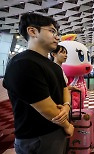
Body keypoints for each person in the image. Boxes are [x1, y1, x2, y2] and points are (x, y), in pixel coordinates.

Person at [3, 13, 74, 154]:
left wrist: (66, 107)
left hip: (55, 131)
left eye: (57, 33)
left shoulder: (54, 66)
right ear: (33, 31)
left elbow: (64, 88)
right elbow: (46, 108)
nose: (57, 37)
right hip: (37, 137)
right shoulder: (23, 63)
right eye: (52, 31)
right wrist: (67, 125)